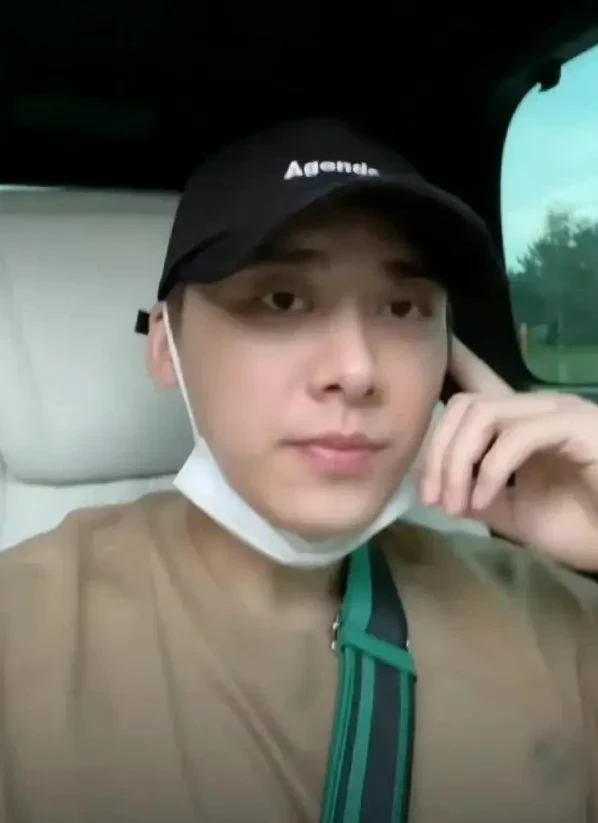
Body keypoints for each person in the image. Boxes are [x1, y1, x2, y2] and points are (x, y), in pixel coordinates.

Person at [0, 118, 597, 823]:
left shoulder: (549, 615)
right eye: (281, 300)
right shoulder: (27, 630)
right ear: (166, 348)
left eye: (403, 308)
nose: (356, 370)